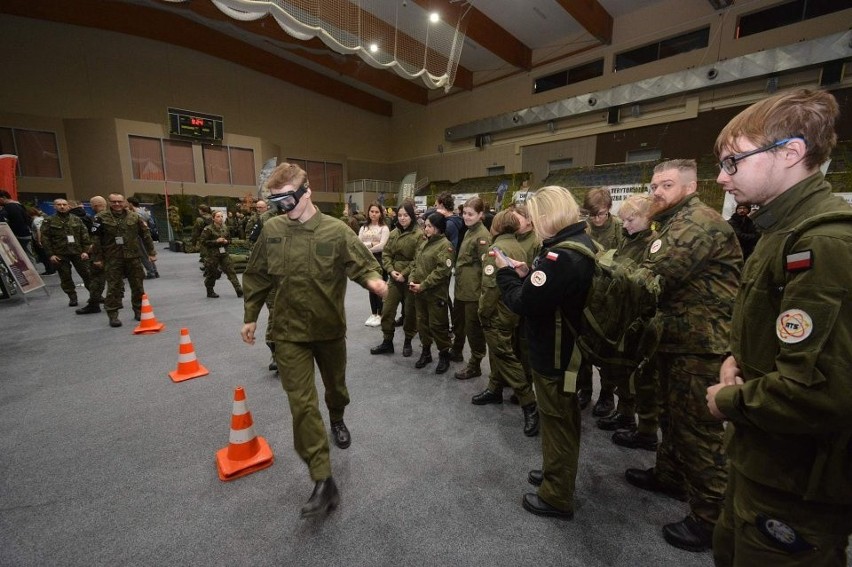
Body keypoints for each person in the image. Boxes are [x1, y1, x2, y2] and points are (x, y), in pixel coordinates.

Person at [706, 89, 852, 566]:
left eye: (733, 162)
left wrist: (726, 400)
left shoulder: (823, 242)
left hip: (796, 479)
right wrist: (736, 357)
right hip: (762, 457)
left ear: (791, 153)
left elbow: (819, 392)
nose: (722, 178)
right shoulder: (779, 230)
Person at [240, 162, 387, 519]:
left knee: (335, 388)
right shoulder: (271, 230)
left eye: (286, 199)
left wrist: (373, 281)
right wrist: (250, 316)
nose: (281, 208)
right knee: (302, 405)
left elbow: (361, 264)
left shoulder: (336, 232)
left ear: (306, 192)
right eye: (275, 201)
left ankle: (337, 417)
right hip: (288, 332)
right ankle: (323, 479)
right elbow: (257, 275)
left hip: (328, 330)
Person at [624, 159, 742, 552]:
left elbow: (656, 276)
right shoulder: (673, 220)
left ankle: (712, 518)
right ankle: (670, 475)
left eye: (666, 184)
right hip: (677, 338)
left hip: (702, 345)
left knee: (698, 429)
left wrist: (603, 272)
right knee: (673, 415)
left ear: (690, 187)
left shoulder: (699, 223)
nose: (656, 191)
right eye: (654, 184)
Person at [496, 185, 595, 520]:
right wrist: (528, 274)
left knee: (557, 422)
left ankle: (556, 494)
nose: (533, 225)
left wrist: (506, 274)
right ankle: (556, 472)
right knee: (561, 419)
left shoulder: (560, 256)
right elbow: (547, 291)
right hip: (566, 350)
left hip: (556, 355)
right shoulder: (577, 243)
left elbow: (524, 303)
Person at [471, 209, 539, 437]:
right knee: (500, 353)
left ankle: (529, 404)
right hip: (512, 311)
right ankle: (494, 388)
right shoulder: (519, 246)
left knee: (505, 356)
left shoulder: (495, 250)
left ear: (497, 227)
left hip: (497, 313)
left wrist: (483, 312)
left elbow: (491, 288)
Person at [609, 193, 661, 451]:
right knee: (623, 368)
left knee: (643, 375)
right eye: (623, 221)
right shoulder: (629, 240)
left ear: (647, 218)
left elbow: (647, 282)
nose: (626, 225)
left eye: (630, 220)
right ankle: (626, 413)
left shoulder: (653, 244)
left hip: (642, 317)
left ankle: (647, 429)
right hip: (625, 314)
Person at [577, 187, 625, 416]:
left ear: (609, 210)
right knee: (581, 348)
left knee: (608, 351)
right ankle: (584, 390)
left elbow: (626, 264)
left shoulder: (620, 230)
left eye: (602, 214)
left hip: (609, 300)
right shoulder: (583, 229)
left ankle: (606, 395)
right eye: (592, 214)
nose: (597, 219)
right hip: (584, 297)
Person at [91, 193, 157, 328]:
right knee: (114, 287)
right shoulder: (101, 218)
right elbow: (96, 239)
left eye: (119, 202)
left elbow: (145, 235)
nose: (117, 204)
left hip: (132, 257)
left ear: (124, 202)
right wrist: (97, 258)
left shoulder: (134, 216)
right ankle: (113, 314)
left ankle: (139, 311)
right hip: (112, 258)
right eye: (114, 202)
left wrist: (151, 252)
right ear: (109, 202)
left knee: (138, 286)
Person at [370, 201, 422, 357]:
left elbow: (418, 259)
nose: (402, 218)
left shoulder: (419, 235)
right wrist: (391, 271)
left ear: (411, 216)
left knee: (409, 312)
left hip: (410, 278)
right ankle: (387, 342)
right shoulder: (393, 233)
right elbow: (386, 255)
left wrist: (404, 274)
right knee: (387, 310)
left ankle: (407, 341)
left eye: (406, 215)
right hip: (394, 277)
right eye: (399, 215)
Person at [408, 212, 455, 374]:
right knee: (422, 323)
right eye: (425, 226)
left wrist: (424, 285)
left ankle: (444, 354)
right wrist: (412, 280)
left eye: (429, 226)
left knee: (438, 325)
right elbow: (415, 263)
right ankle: (426, 352)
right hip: (419, 293)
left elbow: (441, 271)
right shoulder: (423, 243)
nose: (425, 229)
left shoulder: (445, 246)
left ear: (439, 228)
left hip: (435, 294)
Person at [452, 197, 491, 380]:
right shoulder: (469, 231)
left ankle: (475, 364)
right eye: (464, 213)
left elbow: (487, 268)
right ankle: (457, 350)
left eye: (470, 214)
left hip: (473, 291)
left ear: (480, 215)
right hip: (462, 287)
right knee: (459, 323)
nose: (466, 217)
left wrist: (483, 294)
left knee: (473, 329)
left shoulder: (482, 236)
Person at [40, 198, 92, 306]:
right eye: (59, 205)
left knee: (87, 274)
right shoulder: (49, 221)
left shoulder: (76, 219)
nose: (62, 206)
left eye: (64, 204)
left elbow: (84, 235)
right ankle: (72, 297)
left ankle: (94, 295)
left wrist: (86, 251)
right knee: (65, 277)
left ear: (68, 206)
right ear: (55, 206)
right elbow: (45, 239)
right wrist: (51, 254)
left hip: (78, 252)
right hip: (60, 253)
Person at [358, 202, 390, 327]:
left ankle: (381, 314)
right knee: (371, 287)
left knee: (379, 288)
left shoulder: (384, 228)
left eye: (377, 212)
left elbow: (382, 246)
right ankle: (373, 313)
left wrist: (367, 249)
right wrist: (371, 244)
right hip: (366, 261)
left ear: (381, 213)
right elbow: (358, 243)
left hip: (380, 260)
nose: (374, 214)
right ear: (368, 212)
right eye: (372, 211)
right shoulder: (363, 227)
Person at [76, 196, 108, 315]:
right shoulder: (112, 216)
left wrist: (95, 255)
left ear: (95, 206)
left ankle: (94, 304)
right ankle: (109, 302)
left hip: (101, 254)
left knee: (96, 279)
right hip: (111, 253)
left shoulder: (99, 218)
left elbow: (97, 238)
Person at [200, 210, 243, 298]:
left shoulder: (225, 227)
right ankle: (210, 290)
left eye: (221, 216)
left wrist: (227, 241)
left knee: (231, 271)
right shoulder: (208, 229)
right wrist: (216, 241)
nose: (220, 218)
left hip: (224, 253)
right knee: (212, 273)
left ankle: (239, 290)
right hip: (212, 255)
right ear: (213, 218)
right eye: (218, 217)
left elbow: (230, 239)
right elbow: (203, 242)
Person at [127, 196, 159, 279]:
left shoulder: (136, 214)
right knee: (149, 254)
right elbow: (151, 224)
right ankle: (154, 271)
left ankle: (151, 272)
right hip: (146, 235)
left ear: (130, 203)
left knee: (143, 255)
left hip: (139, 236)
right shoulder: (144, 212)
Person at [0, 189, 34, 260]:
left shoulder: (10, 207)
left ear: (3, 198)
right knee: (28, 255)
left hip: (19, 236)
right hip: (25, 234)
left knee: (22, 257)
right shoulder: (18, 205)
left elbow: (17, 222)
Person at [27, 206, 54, 275]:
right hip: (46, 239)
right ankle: (52, 268)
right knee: (47, 254)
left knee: (43, 255)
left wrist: (39, 240)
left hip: (41, 239)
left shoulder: (36, 220)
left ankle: (49, 270)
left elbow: (39, 230)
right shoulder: (41, 218)